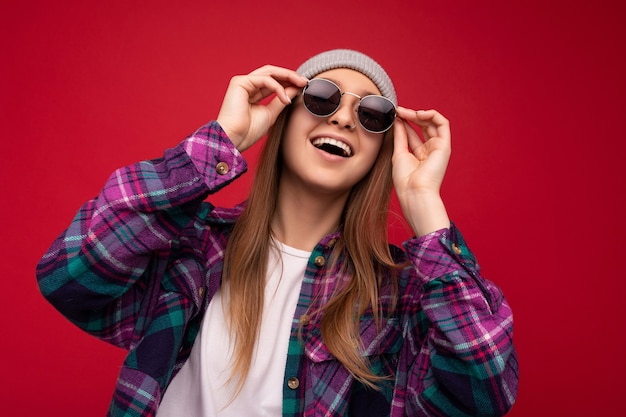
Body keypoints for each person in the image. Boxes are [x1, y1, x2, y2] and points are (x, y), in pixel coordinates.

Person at [36, 49, 518, 417]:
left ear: (382, 153)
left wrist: (425, 207)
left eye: (372, 115)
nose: (344, 118)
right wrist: (219, 143)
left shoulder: (399, 294)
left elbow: (485, 390)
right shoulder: (194, 250)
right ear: (284, 116)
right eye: (323, 97)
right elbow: (70, 276)